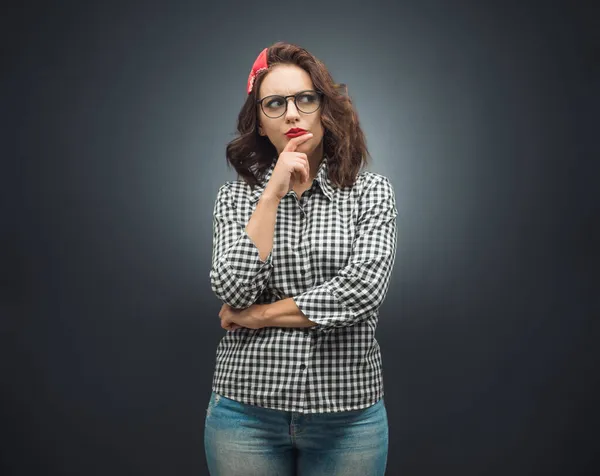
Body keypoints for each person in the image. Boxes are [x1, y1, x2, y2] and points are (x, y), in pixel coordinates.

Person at [204, 41, 398, 476]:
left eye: (304, 98)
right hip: (245, 413)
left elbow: (362, 292)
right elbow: (233, 290)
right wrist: (271, 194)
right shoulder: (235, 199)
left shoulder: (371, 192)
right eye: (275, 103)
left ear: (324, 109)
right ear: (259, 121)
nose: (291, 113)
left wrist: (261, 316)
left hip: (349, 416)